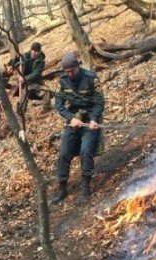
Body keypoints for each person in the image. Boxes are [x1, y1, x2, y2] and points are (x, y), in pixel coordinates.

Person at [51, 52, 105, 204]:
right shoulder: (62, 81)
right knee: (63, 154)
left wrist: (94, 119)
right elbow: (59, 104)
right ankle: (62, 188)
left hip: (89, 118)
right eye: (66, 71)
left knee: (85, 150)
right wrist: (70, 118)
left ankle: (86, 187)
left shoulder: (90, 78)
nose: (69, 74)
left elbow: (100, 102)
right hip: (74, 119)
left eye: (72, 71)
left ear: (77, 66)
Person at [8, 42, 47, 107]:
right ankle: (20, 114)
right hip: (23, 84)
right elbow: (16, 59)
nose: (36, 53)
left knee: (46, 91)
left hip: (35, 83)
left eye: (38, 51)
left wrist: (24, 78)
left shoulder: (41, 61)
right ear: (31, 50)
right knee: (22, 99)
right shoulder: (25, 56)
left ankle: (46, 108)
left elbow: (36, 74)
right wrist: (11, 65)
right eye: (34, 51)